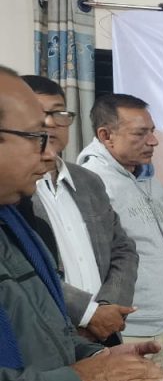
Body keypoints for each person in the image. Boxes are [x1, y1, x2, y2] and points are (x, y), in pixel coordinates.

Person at [0, 65, 163, 381]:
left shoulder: (13, 223)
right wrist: (82, 380)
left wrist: (99, 359)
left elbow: (38, 325)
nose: (50, 148)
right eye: (36, 136)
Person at [77, 93, 163, 381]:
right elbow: (91, 264)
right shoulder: (93, 182)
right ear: (106, 136)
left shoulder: (149, 179)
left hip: (155, 323)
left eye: (152, 131)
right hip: (121, 328)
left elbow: (158, 253)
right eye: (140, 133)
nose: (153, 141)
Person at [22, 76, 138, 347]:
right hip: (47, 336)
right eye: (38, 113)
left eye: (58, 113)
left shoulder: (88, 181)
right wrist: (87, 313)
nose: (50, 123)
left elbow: (123, 249)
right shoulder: (11, 189)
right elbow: (26, 268)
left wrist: (107, 308)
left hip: (105, 331)